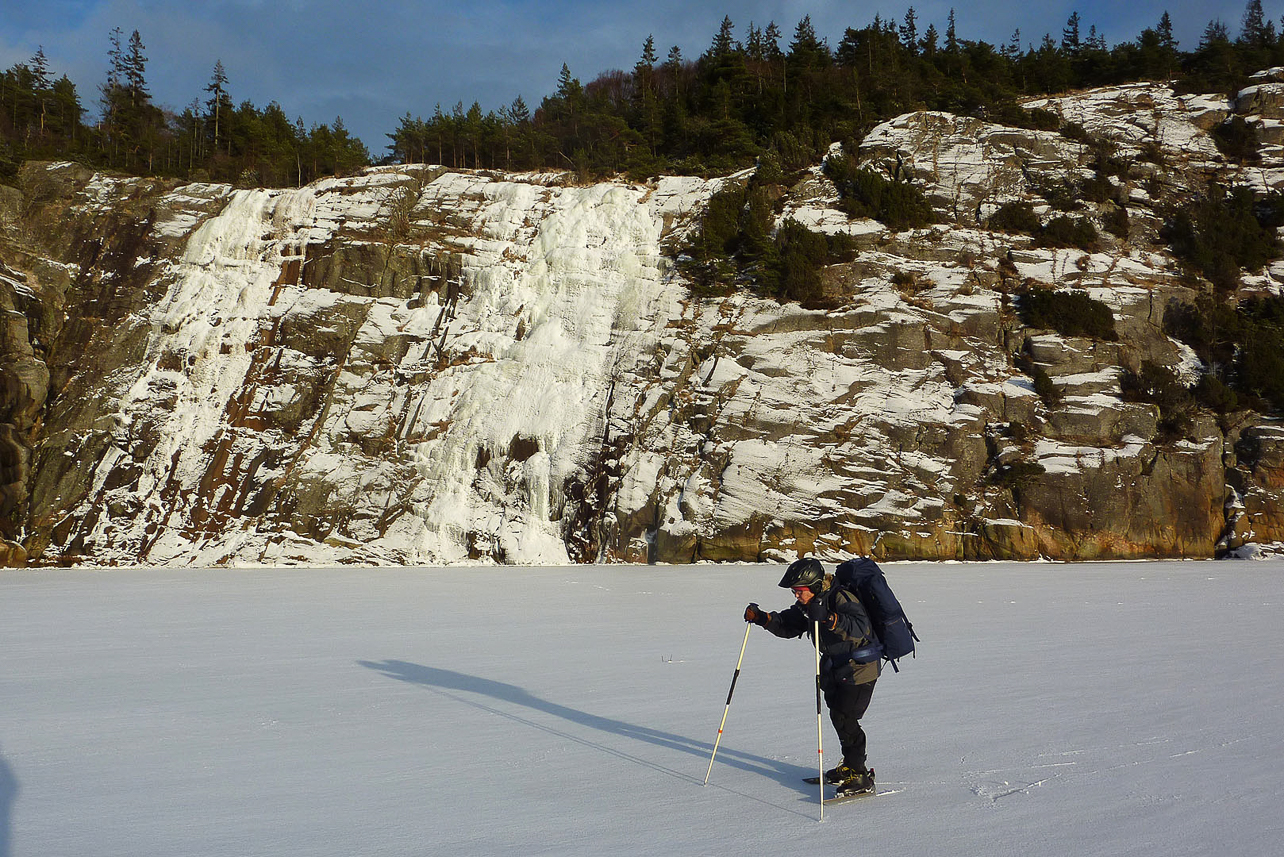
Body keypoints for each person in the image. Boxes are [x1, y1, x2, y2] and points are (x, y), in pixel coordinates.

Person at [744, 557, 879, 793]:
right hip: (835, 667)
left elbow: (860, 628)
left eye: (799, 591)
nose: (796, 595)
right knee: (838, 716)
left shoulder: (840, 598)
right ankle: (850, 766)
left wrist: (828, 618)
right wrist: (762, 618)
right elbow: (788, 625)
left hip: (859, 668)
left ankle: (860, 775)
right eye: (794, 592)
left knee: (846, 718)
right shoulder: (809, 605)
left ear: (815, 585)